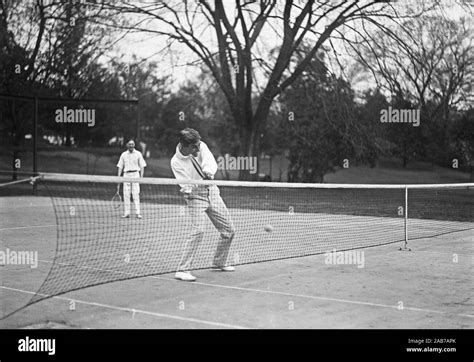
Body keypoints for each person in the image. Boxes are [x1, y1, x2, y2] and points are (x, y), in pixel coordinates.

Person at [171, 128, 236, 282]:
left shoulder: (200, 145)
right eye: (194, 147)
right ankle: (182, 269)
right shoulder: (176, 162)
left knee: (229, 230)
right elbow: (185, 183)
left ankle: (219, 262)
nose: (198, 149)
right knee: (199, 231)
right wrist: (187, 190)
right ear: (184, 146)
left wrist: (208, 172)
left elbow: (209, 162)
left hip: (212, 191)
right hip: (195, 196)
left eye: (198, 145)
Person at [117, 139, 146, 219]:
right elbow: (120, 166)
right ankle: (127, 213)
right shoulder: (123, 155)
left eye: (132, 144)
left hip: (136, 175)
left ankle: (138, 213)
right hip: (126, 175)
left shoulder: (138, 154)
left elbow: (142, 166)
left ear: (134, 145)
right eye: (129, 144)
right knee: (126, 195)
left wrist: (141, 177)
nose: (131, 145)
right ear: (127, 145)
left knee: (136, 194)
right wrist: (118, 177)